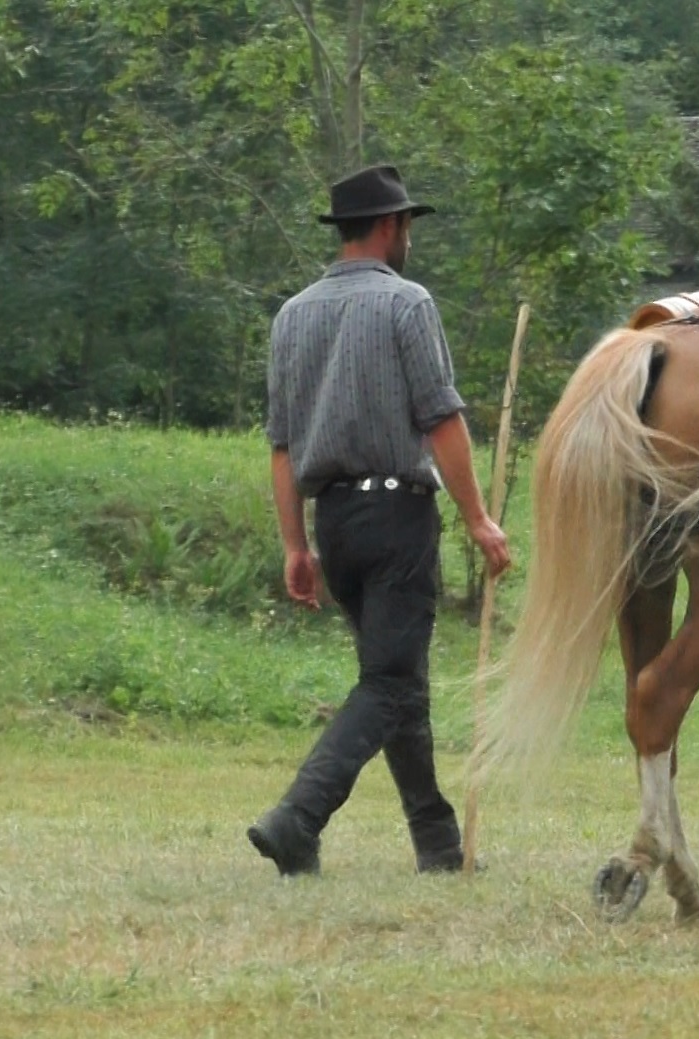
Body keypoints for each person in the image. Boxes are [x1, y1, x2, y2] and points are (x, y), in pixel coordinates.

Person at [249, 164, 512, 877]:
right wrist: (479, 519)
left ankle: (436, 842)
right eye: (407, 227)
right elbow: (441, 417)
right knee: (390, 683)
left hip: (334, 521)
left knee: (399, 678)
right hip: (397, 515)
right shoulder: (407, 303)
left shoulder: (291, 314)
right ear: (392, 227)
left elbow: (281, 445)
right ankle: (297, 818)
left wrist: (295, 546)